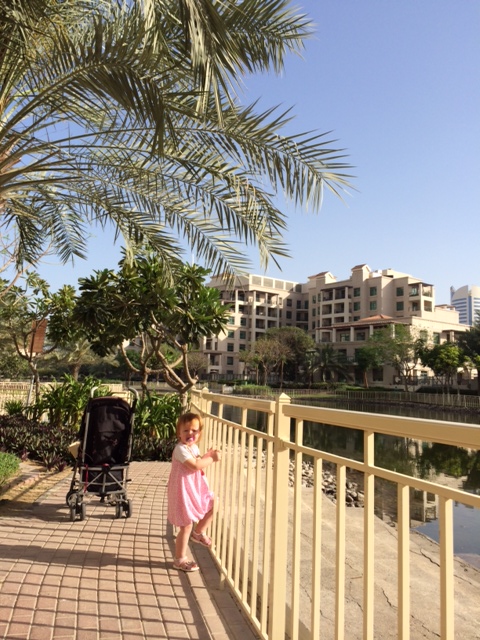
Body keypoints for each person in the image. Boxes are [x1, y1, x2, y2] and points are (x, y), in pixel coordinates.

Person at [167, 412, 221, 572]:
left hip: (193, 489)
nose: (190, 433)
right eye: (186, 431)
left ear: (199, 433)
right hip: (183, 492)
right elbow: (195, 465)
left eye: (194, 431)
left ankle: (198, 532)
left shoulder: (193, 447)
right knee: (186, 525)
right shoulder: (180, 449)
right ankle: (179, 559)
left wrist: (207, 455)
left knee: (214, 504)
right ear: (179, 433)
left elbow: (198, 460)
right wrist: (212, 459)